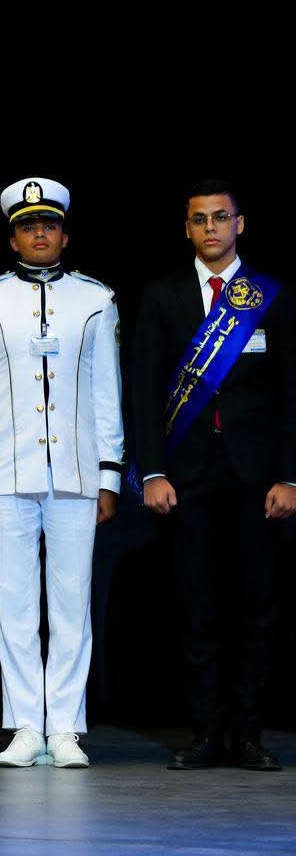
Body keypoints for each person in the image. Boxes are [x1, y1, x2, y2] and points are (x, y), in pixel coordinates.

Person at [131, 178, 295, 771]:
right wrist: (151, 470)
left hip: (258, 478)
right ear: (187, 228)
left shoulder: (270, 295)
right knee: (195, 606)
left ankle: (247, 734)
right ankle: (204, 733)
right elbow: (144, 390)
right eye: (199, 219)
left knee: (257, 607)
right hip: (187, 474)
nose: (210, 228)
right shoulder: (163, 295)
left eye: (220, 217)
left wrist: (290, 477)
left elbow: (292, 390)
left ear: (239, 224)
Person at [0, 178, 121, 769]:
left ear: (64, 234)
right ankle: (27, 724)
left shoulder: (96, 299)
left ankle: (67, 726)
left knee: (72, 603)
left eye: (49, 224)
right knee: (15, 605)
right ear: (13, 238)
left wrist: (109, 474)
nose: (40, 234)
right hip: (6, 470)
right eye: (28, 226)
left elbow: (107, 392)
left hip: (76, 472)